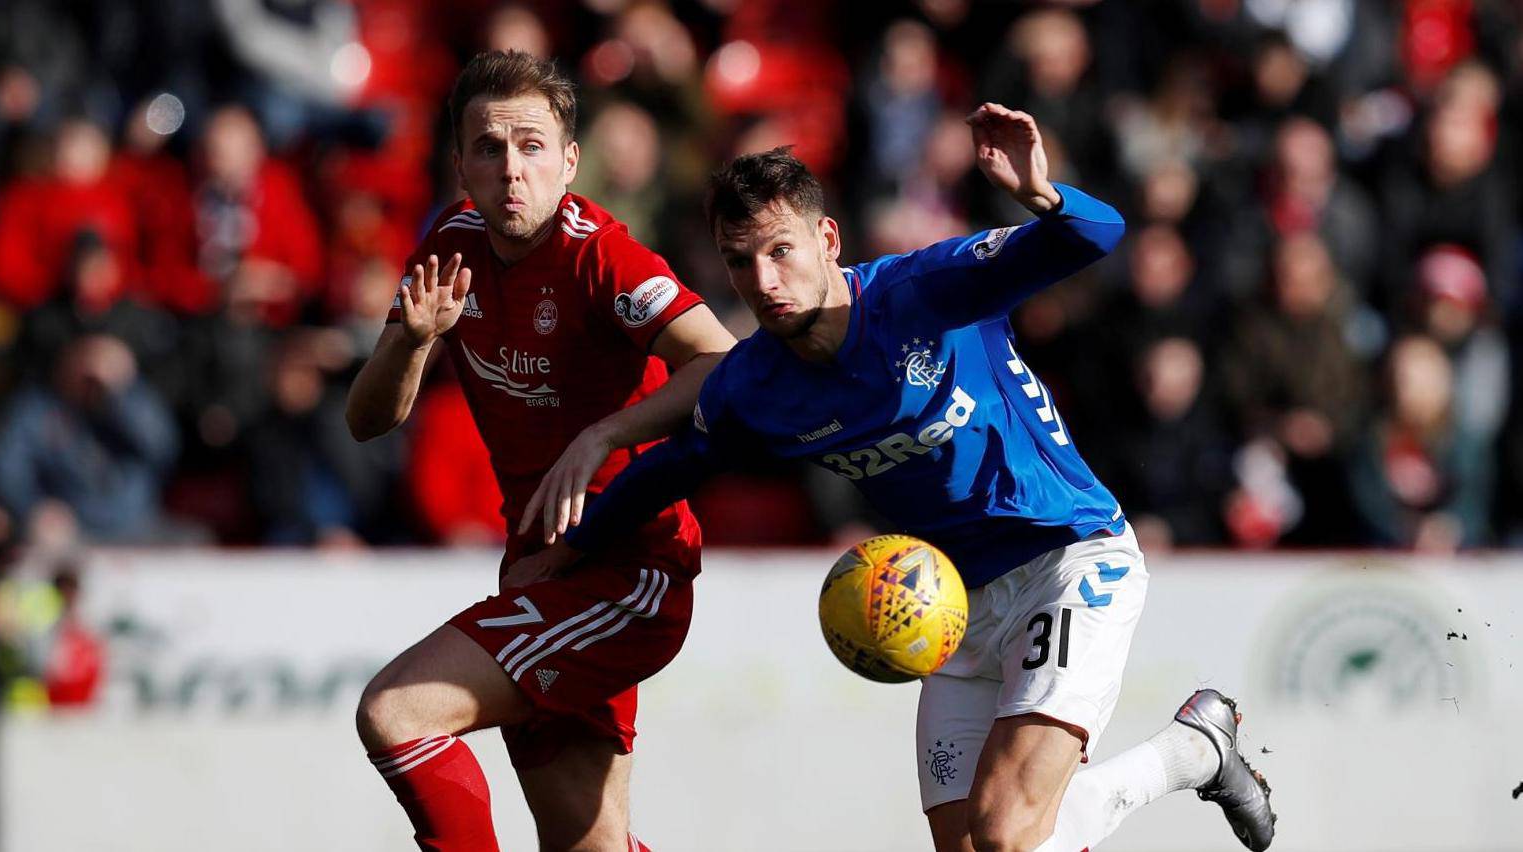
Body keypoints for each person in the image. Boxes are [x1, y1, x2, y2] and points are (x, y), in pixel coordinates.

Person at [514, 108, 1277, 851]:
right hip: (941, 610)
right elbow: (670, 472)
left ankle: (1185, 757)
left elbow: (1094, 235)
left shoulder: (925, 289)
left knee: (1008, 831)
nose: (762, 279)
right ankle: (1196, 745)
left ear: (826, 238)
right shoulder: (754, 386)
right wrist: (573, 547)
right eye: (739, 260)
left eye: (780, 250)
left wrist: (1041, 194)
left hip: (1068, 560)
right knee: (975, 846)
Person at [345, 50, 734, 851]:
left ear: (568, 161)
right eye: (488, 148)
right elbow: (367, 420)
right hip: (539, 565)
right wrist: (411, 344)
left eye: (530, 147)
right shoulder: (449, 244)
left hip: (629, 572)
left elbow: (725, 363)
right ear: (461, 165)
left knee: (396, 713)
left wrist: (603, 436)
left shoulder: (601, 256)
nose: (510, 170)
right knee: (582, 843)